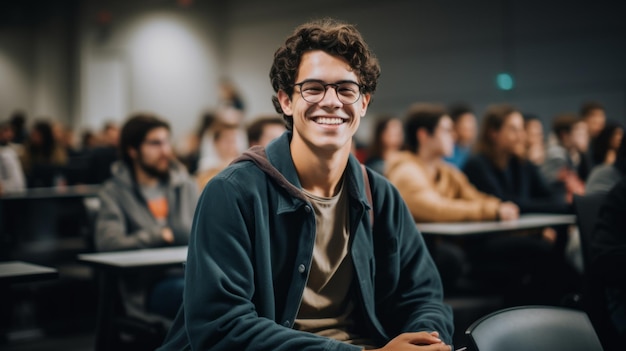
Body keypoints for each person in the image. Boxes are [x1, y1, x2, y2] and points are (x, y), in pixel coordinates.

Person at [159, 19, 453, 351]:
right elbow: (222, 327)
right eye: (313, 88)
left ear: (364, 103)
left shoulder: (380, 194)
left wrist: (428, 339)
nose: (331, 101)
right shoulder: (232, 192)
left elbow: (424, 297)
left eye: (346, 89)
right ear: (286, 101)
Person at [95, 114, 199, 323]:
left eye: (167, 142)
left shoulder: (185, 185)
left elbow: (205, 233)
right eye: (155, 143)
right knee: (201, 298)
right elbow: (109, 243)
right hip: (147, 287)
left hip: (193, 275)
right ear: (132, 150)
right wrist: (158, 235)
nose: (166, 151)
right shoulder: (114, 192)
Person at [387, 103, 519, 223]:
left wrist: (498, 206)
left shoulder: (446, 171)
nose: (454, 136)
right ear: (423, 135)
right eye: (446, 130)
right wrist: (492, 211)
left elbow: (472, 196)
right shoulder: (405, 171)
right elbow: (437, 209)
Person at [463, 104, 570, 214]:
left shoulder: (521, 163)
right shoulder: (476, 166)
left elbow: (548, 194)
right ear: (493, 133)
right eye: (513, 130)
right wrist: (558, 206)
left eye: (521, 129)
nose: (521, 136)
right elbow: (505, 203)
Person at [540, 113, 590, 203]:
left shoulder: (572, 155)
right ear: (565, 135)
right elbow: (576, 187)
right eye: (580, 133)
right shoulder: (556, 155)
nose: (585, 137)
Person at [443, 103, 477, 169]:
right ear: (454, 125)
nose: (472, 128)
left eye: (473, 124)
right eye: (468, 123)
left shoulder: (468, 152)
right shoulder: (447, 154)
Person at [0, 120, 26, 194]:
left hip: (17, 191)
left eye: (10, 131)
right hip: (5, 193)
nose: (9, 134)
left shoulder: (14, 149)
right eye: (5, 131)